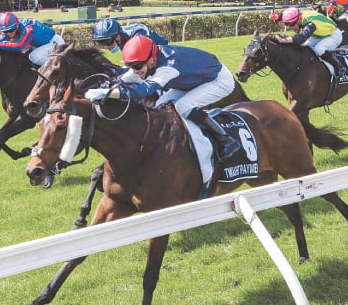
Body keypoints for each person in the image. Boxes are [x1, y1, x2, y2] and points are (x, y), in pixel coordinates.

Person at [84, 35, 242, 196]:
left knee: (183, 106)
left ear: (152, 60)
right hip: (193, 80)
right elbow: (128, 77)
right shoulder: (148, 60)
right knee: (160, 106)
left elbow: (142, 91)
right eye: (132, 66)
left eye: (138, 66)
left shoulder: (168, 67)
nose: (136, 70)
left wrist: (107, 93)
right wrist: (108, 84)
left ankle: (225, 140)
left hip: (218, 81)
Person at [269, 6, 344, 73]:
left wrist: (283, 40)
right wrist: (276, 17)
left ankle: (340, 67)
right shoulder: (298, 16)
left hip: (333, 35)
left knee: (319, 49)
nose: (290, 27)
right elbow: (285, 16)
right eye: (287, 24)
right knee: (303, 46)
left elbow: (301, 38)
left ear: (299, 19)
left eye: (291, 24)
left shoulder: (310, 23)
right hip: (320, 35)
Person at [0, 11, 65, 66]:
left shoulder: (28, 29)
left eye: (10, 30)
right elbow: (0, 40)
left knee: (34, 56)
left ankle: (60, 68)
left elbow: (18, 46)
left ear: (17, 26)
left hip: (55, 43)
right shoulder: (13, 27)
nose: (8, 34)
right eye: (5, 31)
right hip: (41, 45)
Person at [91, 18, 168, 54]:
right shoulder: (120, 37)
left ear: (118, 37)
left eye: (107, 42)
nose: (106, 47)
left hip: (162, 53)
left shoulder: (137, 39)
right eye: (101, 42)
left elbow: (140, 67)